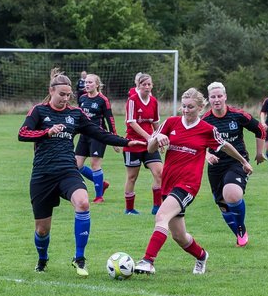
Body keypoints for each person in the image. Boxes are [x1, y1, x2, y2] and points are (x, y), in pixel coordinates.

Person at [18, 69, 144, 275]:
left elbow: (99, 133)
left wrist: (127, 142)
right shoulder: (38, 111)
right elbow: (22, 134)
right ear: (51, 91)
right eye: (62, 94)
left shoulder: (75, 114)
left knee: (83, 202)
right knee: (42, 229)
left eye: (69, 95)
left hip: (68, 171)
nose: (66, 99)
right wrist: (46, 132)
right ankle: (42, 259)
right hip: (42, 175)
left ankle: (79, 258)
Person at [133, 87, 255, 276]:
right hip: (168, 184)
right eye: (183, 106)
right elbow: (150, 148)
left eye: (190, 107)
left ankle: (148, 261)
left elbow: (225, 146)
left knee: (161, 217)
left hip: (188, 185)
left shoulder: (207, 129)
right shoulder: (170, 123)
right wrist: (157, 138)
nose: (186, 110)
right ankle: (201, 255)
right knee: (179, 236)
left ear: (200, 108)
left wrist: (244, 161)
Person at [203, 81, 267, 246]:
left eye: (219, 96)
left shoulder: (238, 115)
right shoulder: (205, 120)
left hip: (237, 161)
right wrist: (207, 154)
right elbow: (197, 142)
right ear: (209, 99)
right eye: (213, 97)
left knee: (231, 194)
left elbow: (260, 129)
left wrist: (259, 153)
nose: (216, 99)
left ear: (225, 97)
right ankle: (240, 231)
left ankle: (240, 229)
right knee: (223, 204)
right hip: (216, 166)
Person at [122, 71, 164, 215]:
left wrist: (160, 139)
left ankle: (157, 207)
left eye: (149, 84)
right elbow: (132, 123)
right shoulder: (132, 100)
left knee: (159, 173)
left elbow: (156, 123)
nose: (146, 86)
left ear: (152, 85)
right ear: (138, 86)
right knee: (132, 177)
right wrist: (148, 137)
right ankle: (129, 209)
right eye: (143, 84)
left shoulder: (154, 101)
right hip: (133, 144)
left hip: (150, 144)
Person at [75, 73, 116, 203]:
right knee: (77, 165)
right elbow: (78, 117)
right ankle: (102, 184)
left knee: (95, 164)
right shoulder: (82, 98)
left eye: (90, 82)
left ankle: (99, 196)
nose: (87, 84)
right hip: (84, 135)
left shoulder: (103, 100)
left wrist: (114, 138)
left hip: (98, 135)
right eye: (86, 82)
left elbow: (110, 119)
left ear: (97, 84)